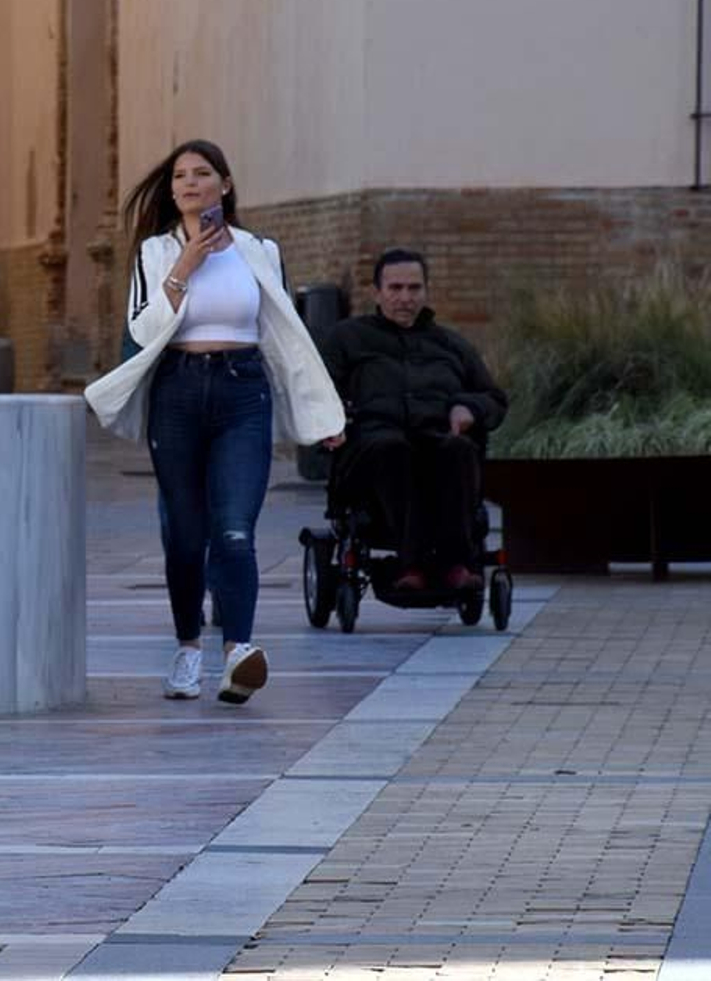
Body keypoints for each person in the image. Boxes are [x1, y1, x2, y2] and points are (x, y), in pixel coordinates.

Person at [85, 140, 345, 704]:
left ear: (225, 185)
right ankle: (187, 648)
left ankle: (238, 654)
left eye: (203, 173)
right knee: (185, 535)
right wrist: (184, 266)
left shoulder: (260, 251)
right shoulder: (155, 253)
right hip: (177, 394)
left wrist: (322, 412)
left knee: (233, 529)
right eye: (180, 175)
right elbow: (144, 330)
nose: (189, 183)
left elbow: (287, 339)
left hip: (242, 394)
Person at [317, 248, 507, 590]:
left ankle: (457, 565)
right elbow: (317, 391)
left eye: (414, 288)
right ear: (377, 292)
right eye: (395, 288)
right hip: (371, 443)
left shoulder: (450, 344)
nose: (405, 298)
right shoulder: (348, 338)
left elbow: (492, 398)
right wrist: (332, 422)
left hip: (435, 436)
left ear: (426, 291)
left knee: (458, 450)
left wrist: (468, 408)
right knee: (393, 448)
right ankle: (411, 565)